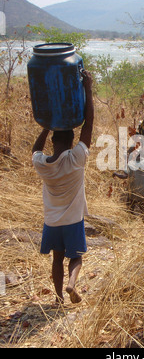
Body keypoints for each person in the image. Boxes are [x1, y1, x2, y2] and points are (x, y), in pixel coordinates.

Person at [32, 70, 94, 305]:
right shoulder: (76, 159)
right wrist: (87, 88)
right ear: (71, 142)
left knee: (57, 259)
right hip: (72, 221)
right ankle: (72, 283)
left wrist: (46, 125)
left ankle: (58, 297)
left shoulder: (43, 165)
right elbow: (89, 123)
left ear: (52, 141)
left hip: (52, 221)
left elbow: (35, 151)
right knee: (75, 257)